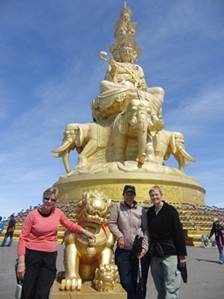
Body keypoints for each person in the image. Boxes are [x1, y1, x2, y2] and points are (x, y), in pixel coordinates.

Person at [16, 187, 95, 299]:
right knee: (28, 290)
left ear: (56, 202)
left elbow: (69, 224)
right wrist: (21, 263)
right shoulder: (32, 215)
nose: (49, 201)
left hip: (49, 256)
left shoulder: (58, 213)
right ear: (42, 199)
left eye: (52, 200)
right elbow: (23, 238)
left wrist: (85, 231)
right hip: (32, 255)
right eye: (46, 198)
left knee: (43, 291)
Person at [108, 185, 149, 299]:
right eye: (127, 194)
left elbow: (146, 230)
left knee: (135, 278)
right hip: (123, 250)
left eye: (131, 194)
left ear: (134, 195)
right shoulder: (117, 208)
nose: (129, 196)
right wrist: (120, 236)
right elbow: (111, 223)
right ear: (123, 195)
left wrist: (145, 247)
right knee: (125, 281)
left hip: (137, 250)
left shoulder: (141, 210)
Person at [147, 186, 187, 299]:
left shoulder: (170, 210)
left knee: (171, 285)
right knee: (159, 285)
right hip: (155, 252)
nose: (154, 197)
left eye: (156, 194)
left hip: (170, 252)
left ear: (161, 195)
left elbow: (178, 233)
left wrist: (182, 255)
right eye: (152, 195)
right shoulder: (150, 212)